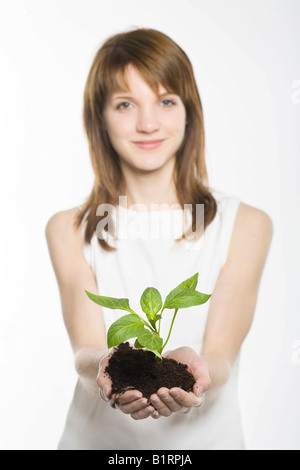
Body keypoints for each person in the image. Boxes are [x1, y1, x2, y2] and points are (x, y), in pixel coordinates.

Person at [45, 28, 273, 450]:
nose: (147, 123)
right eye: (125, 104)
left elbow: (221, 355)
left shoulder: (245, 224)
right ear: (100, 117)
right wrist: (105, 364)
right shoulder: (69, 228)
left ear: (189, 111)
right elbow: (86, 350)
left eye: (166, 101)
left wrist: (201, 370)